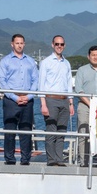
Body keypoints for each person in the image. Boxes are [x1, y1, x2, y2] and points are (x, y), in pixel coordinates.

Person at [0, 33, 38, 165]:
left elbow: (35, 80)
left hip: (27, 99)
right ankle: (9, 159)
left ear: (24, 44)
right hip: (11, 100)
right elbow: (2, 82)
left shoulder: (31, 61)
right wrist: (15, 97)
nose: (19, 45)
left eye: (21, 43)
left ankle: (25, 159)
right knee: (10, 130)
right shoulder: (5, 61)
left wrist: (29, 96)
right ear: (12, 44)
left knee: (26, 130)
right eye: (17, 43)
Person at [39, 35, 74, 166]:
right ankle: (51, 159)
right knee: (51, 130)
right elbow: (41, 84)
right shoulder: (46, 62)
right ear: (52, 45)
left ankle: (59, 159)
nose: (59, 46)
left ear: (64, 45)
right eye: (57, 44)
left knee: (61, 132)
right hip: (51, 99)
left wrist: (71, 102)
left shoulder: (67, 63)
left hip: (64, 100)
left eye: (62, 44)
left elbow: (69, 83)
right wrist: (43, 104)